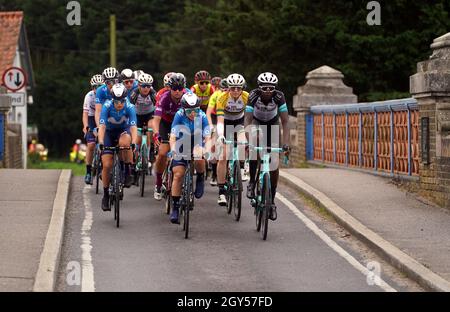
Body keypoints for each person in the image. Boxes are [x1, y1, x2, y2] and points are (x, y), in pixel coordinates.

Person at [244, 72, 290, 221]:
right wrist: (249, 140)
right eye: (265, 88)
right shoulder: (253, 96)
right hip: (256, 122)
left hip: (272, 124)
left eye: (271, 88)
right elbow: (247, 120)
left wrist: (286, 143)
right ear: (259, 87)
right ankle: (252, 182)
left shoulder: (279, 96)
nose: (268, 91)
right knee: (254, 146)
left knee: (274, 163)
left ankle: (272, 201)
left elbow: (285, 122)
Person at [167, 93, 211, 223]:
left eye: (196, 110)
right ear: (183, 109)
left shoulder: (202, 116)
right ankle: (175, 207)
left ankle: (201, 177)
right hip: (182, 142)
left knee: (199, 154)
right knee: (178, 175)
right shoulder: (179, 115)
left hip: (197, 141)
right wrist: (173, 150)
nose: (193, 114)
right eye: (189, 111)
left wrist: (207, 151)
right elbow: (173, 137)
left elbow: (207, 137)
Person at [98, 83, 138, 211]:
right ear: (112, 99)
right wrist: (100, 142)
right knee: (107, 165)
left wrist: (134, 142)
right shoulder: (107, 106)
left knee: (125, 144)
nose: (119, 103)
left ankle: (127, 170)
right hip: (109, 133)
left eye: (122, 100)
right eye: (117, 101)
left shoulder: (130, 106)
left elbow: (133, 127)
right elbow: (102, 127)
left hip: (123, 131)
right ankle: (105, 195)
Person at [153, 73, 189, 200]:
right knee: (163, 152)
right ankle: (158, 183)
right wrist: (156, 134)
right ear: (169, 88)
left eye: (180, 89)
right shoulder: (163, 97)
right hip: (166, 124)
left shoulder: (188, 96)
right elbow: (156, 119)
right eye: (174, 88)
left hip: (182, 124)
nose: (178, 91)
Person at [215, 73, 249, 206]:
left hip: (240, 122)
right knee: (223, 156)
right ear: (228, 88)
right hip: (226, 123)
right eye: (233, 88)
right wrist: (221, 135)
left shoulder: (247, 97)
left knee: (243, 141)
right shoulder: (222, 98)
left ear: (242, 88)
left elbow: (249, 117)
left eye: (238, 88)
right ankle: (221, 192)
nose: (235, 91)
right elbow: (220, 121)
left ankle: (241, 167)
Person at [129, 73, 157, 183]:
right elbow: (129, 108)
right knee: (138, 139)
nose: (146, 88)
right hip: (137, 116)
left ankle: (149, 151)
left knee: (150, 127)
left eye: (148, 86)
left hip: (149, 114)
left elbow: (158, 108)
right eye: (144, 86)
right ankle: (136, 161)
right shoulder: (134, 93)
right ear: (139, 85)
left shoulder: (153, 93)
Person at [206, 78, 228, 186]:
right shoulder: (216, 95)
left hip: (229, 117)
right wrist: (211, 126)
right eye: (223, 89)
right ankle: (214, 173)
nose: (225, 92)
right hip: (216, 117)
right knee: (214, 143)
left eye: (227, 89)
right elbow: (208, 112)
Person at [83, 74, 104, 184]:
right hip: (91, 118)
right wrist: (86, 126)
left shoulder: (106, 95)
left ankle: (103, 168)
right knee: (91, 144)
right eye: (95, 87)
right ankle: (88, 171)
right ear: (92, 88)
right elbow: (85, 114)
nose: (97, 89)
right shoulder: (89, 96)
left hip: (103, 118)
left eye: (100, 86)